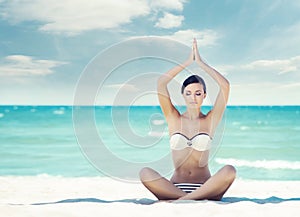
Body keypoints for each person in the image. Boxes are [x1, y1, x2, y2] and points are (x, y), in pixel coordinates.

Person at [139, 38, 236, 201]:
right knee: (145, 173)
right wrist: (186, 63)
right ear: (182, 95)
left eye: (198, 93)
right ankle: (187, 199)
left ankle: (185, 200)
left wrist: (201, 63)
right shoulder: (173, 117)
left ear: (204, 96)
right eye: (189, 93)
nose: (193, 98)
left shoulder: (210, 120)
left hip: (206, 187)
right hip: (175, 188)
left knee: (230, 170)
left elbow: (225, 86)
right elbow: (161, 83)